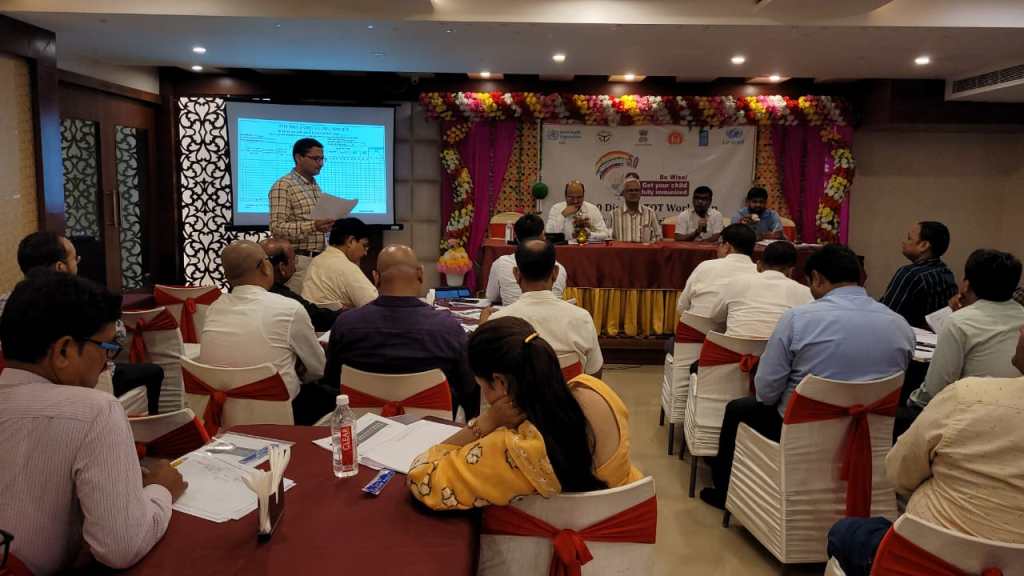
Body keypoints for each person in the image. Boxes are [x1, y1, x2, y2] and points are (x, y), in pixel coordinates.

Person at [699, 244, 915, 509]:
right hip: (869, 433)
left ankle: (724, 494)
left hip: (800, 430)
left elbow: (766, 391)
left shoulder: (797, 319)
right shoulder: (900, 325)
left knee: (738, 409)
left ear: (817, 278)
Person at [0, 270, 187, 575]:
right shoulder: (94, 411)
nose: (106, 363)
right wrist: (160, 489)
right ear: (63, 351)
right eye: (107, 348)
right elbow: (120, 547)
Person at [827, 327, 1024, 576]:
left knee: (845, 532)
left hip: (920, 558)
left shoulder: (967, 397)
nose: (1019, 329)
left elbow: (898, 474)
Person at [406, 316, 642, 510]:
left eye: (482, 386)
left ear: (499, 382)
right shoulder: (596, 391)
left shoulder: (514, 449)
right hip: (621, 525)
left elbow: (422, 476)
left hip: (538, 545)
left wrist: (484, 423)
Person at [1, 231, 165, 415]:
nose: (78, 263)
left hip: (17, 392)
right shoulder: (83, 302)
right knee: (153, 372)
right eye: (75, 259)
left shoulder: (6, 303)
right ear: (61, 267)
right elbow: (116, 336)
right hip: (87, 384)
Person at [323, 245, 479, 419]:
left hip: (362, 426)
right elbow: (469, 389)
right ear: (420, 274)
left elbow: (332, 384)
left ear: (376, 277)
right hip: (434, 429)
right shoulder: (448, 329)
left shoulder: (345, 326)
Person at [199, 240, 327, 424]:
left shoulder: (213, 309)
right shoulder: (289, 309)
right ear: (265, 267)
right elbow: (318, 369)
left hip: (224, 414)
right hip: (280, 416)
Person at [907, 249, 1024, 412]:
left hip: (972, 414)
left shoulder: (958, 322)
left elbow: (934, 391)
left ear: (967, 284)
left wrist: (912, 400)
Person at [486, 239, 603, 376]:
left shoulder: (497, 322)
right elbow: (594, 376)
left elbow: (488, 378)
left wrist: (483, 328)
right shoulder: (581, 318)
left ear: (516, 274)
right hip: (567, 390)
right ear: (555, 273)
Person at [268, 137, 336, 292]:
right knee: (299, 304)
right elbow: (277, 228)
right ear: (299, 158)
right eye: (316, 159)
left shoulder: (314, 186)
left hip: (319, 260)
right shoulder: (283, 186)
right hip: (298, 262)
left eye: (322, 159)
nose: (321, 163)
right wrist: (313, 226)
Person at [707, 241, 813, 339]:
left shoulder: (736, 282)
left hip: (730, 351)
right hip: (776, 352)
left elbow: (715, 317)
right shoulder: (805, 293)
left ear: (758, 266)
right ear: (791, 271)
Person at [879, 221, 958, 329]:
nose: (904, 242)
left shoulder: (910, 274)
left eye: (909, 238)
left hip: (909, 337)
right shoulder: (947, 274)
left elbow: (885, 316)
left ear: (924, 245)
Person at [676, 223, 758, 318]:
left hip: (695, 325)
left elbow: (682, 307)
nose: (718, 248)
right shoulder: (759, 273)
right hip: (738, 325)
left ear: (727, 247)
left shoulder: (705, 266)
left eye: (720, 243)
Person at [484, 213, 567, 306]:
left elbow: (491, 297)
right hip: (553, 313)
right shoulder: (560, 268)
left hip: (511, 314)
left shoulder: (501, 263)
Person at [260, 238, 341, 332]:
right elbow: (319, 319)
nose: (295, 267)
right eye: (294, 260)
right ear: (282, 268)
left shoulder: (250, 290)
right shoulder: (286, 300)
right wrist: (348, 314)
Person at [301, 217, 378, 310]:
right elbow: (374, 307)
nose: (365, 253)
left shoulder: (316, 261)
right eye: (364, 246)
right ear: (351, 241)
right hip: (335, 318)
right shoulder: (347, 268)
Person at [544, 180, 610, 242]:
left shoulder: (592, 209)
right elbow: (549, 234)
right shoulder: (556, 208)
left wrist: (589, 234)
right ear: (565, 196)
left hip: (586, 248)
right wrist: (563, 215)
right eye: (571, 197)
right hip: (563, 248)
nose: (575, 201)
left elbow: (605, 234)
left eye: (579, 197)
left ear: (583, 196)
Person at [610, 175, 659, 243]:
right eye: (630, 190)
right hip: (621, 249)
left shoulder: (650, 213)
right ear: (624, 193)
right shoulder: (614, 214)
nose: (634, 193)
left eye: (636, 190)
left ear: (640, 193)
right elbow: (608, 238)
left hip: (644, 249)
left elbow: (658, 237)